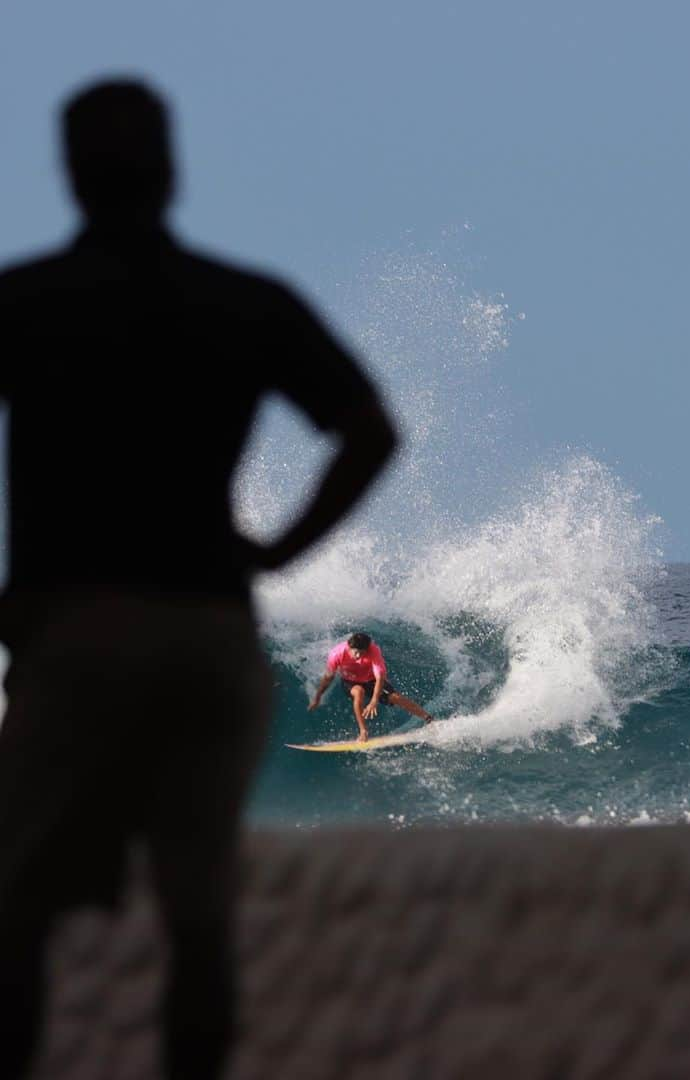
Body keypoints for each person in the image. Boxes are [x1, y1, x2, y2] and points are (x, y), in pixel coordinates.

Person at [0, 80, 397, 1079]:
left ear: (72, 176)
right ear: (172, 172)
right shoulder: (244, 300)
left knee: (14, 911)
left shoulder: (26, 301)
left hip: (73, 632)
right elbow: (370, 431)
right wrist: (276, 551)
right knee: (200, 918)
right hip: (206, 638)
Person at [309, 631, 434, 741]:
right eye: (355, 652)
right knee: (358, 692)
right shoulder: (336, 654)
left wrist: (374, 700)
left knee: (395, 697)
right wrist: (318, 697)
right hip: (350, 682)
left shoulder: (374, 651)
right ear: (349, 646)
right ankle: (363, 731)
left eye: (362, 653)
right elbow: (328, 678)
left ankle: (428, 718)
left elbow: (380, 678)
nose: (358, 657)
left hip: (371, 680)